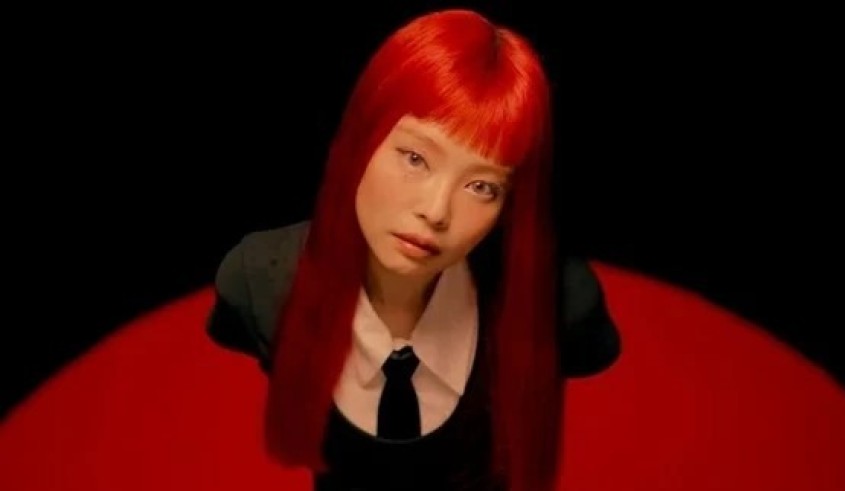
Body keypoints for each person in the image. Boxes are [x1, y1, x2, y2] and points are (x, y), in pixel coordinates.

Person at [206, 8, 620, 491]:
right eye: (415, 158)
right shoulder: (258, 279)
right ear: (362, 139)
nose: (436, 211)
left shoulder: (562, 303)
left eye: (482, 186)